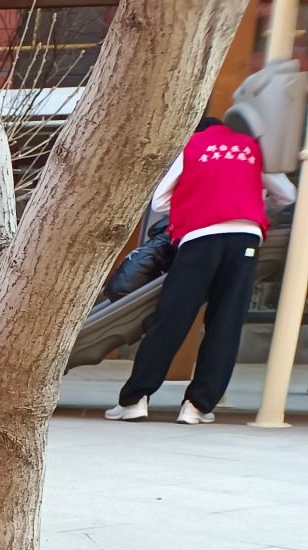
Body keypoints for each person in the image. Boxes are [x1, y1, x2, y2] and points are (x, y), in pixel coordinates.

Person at [107, 116, 297, 423]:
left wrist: (193, 203)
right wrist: (255, 207)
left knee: (171, 319)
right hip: (245, 238)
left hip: (199, 238)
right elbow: (287, 195)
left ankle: (134, 401)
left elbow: (160, 201)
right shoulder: (253, 147)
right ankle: (197, 407)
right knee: (225, 323)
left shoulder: (191, 146)